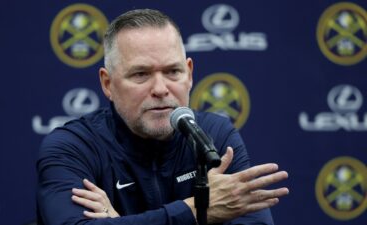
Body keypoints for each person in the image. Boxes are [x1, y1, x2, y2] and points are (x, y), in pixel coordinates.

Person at [36, 8, 289, 225]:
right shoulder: (72, 148)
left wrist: (118, 222)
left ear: (189, 74)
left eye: (172, 71)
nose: (160, 89)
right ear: (108, 83)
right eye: (141, 74)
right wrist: (199, 211)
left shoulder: (216, 136)